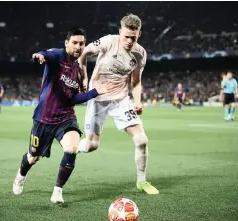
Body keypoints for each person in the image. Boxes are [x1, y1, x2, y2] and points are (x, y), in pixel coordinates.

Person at [12, 28, 113, 204]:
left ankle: (57, 191)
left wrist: (95, 92)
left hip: (66, 118)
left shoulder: (78, 71)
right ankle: (20, 175)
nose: (78, 46)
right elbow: (45, 54)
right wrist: (39, 56)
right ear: (66, 43)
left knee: (72, 148)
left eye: (82, 43)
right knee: (32, 157)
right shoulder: (57, 56)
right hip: (44, 118)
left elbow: (74, 98)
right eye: (75, 43)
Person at [77, 14, 159, 194]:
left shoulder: (140, 54)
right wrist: (83, 77)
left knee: (141, 140)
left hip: (121, 99)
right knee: (92, 146)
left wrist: (137, 102)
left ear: (139, 34)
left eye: (134, 37)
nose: (129, 41)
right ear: (120, 32)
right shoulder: (107, 42)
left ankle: (142, 181)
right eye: (126, 36)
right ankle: (73, 147)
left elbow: (135, 82)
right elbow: (83, 53)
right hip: (97, 98)